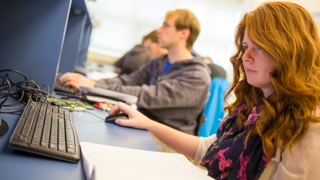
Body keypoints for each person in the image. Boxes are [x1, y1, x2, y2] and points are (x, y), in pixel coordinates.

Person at [108, 2, 320, 179]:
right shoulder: (256, 102)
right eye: (246, 47)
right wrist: (147, 123)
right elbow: (211, 148)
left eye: (260, 47)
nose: (246, 57)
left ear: (289, 50)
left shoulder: (308, 125)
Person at [59, 9, 211, 135]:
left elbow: (148, 95)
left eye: (166, 26)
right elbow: (129, 80)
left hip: (168, 140)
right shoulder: (161, 61)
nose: (159, 30)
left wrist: (93, 86)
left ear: (184, 33)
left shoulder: (197, 75)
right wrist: (93, 83)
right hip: (145, 125)